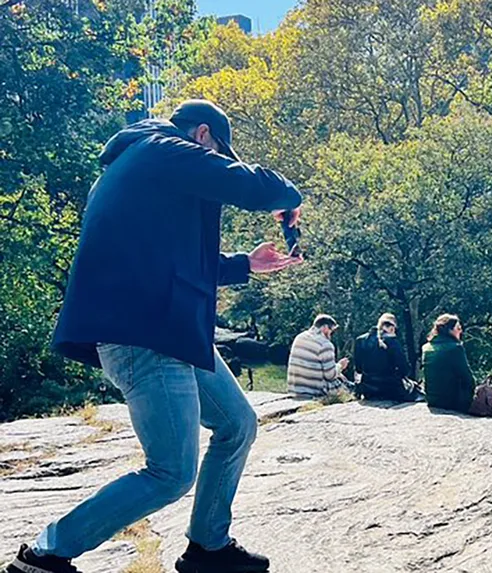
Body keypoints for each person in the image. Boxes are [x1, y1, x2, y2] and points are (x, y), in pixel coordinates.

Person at [7, 100, 303, 573]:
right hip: (143, 334)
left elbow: (177, 263)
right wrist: (289, 196)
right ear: (203, 135)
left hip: (169, 329)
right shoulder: (159, 148)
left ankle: (208, 545)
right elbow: (250, 185)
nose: (221, 164)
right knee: (170, 472)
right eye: (221, 153)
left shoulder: (149, 166)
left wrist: (247, 264)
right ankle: (43, 555)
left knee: (237, 424)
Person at [421, 314, 492, 420]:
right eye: (458, 328)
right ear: (449, 330)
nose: (460, 331)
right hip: (452, 402)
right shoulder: (455, 348)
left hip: (433, 400)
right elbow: (468, 378)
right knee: (485, 393)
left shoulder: (426, 348)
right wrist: (473, 395)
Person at [353, 313, 423, 402]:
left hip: (368, 389)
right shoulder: (392, 342)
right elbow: (405, 370)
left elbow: (358, 369)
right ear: (392, 327)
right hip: (390, 389)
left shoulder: (360, 340)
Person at [286, 314, 351, 399]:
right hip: (315, 390)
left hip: (295, 389)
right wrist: (340, 366)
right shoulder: (325, 344)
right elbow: (330, 375)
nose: (331, 333)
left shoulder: (300, 337)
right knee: (350, 388)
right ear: (325, 327)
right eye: (331, 330)